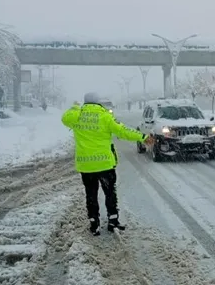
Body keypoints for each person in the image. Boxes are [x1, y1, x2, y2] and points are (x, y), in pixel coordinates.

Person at [62, 92, 154, 236]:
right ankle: (113, 221)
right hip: (104, 164)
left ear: (85, 102)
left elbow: (65, 118)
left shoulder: (77, 116)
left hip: (86, 166)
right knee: (110, 192)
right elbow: (123, 131)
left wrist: (75, 107)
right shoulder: (105, 116)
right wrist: (142, 137)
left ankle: (94, 224)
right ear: (98, 103)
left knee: (90, 194)